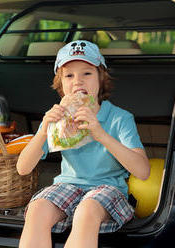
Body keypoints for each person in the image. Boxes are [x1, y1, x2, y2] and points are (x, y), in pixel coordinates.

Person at [16, 40, 150, 248]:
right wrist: (44, 130)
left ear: (101, 78)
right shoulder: (55, 119)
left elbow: (142, 172)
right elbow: (23, 168)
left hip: (108, 188)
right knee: (37, 208)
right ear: (60, 85)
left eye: (87, 73)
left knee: (86, 211)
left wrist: (100, 134)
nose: (78, 81)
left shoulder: (119, 118)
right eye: (69, 75)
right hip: (68, 185)